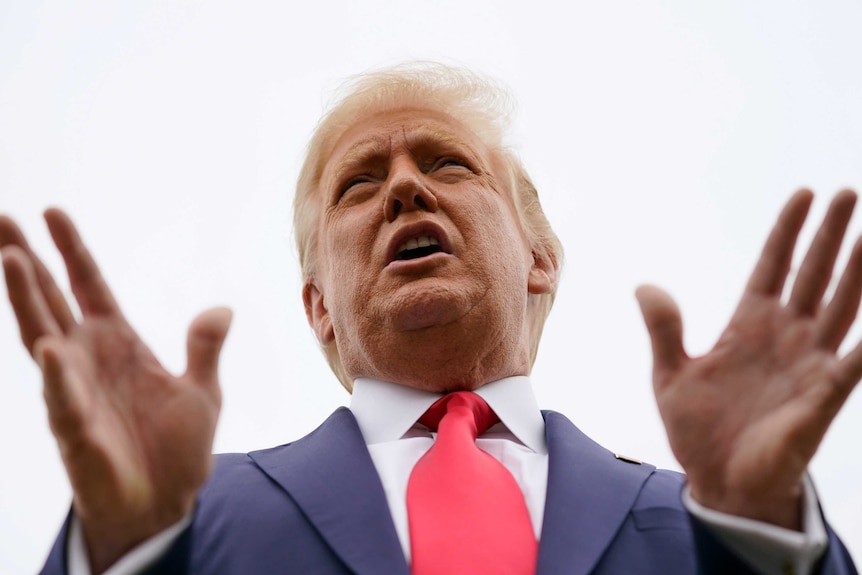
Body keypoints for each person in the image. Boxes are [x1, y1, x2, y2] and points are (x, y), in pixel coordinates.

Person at [1, 63, 858, 575]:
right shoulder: (188, 516)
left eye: (449, 162)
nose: (408, 186)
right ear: (318, 307)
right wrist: (121, 547)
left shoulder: (709, 522)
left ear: (539, 258)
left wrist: (763, 532)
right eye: (360, 181)